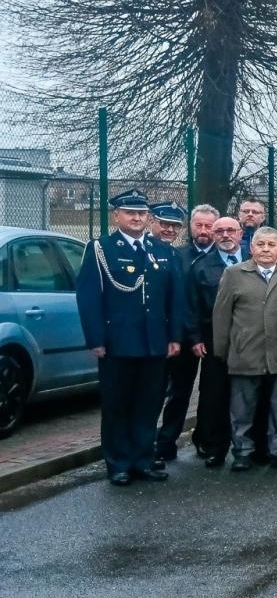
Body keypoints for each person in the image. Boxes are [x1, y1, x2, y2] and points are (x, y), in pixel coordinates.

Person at [75, 189, 186, 485]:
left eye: (141, 213)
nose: (136, 218)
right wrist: (96, 339)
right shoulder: (101, 249)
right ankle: (119, 463)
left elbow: (175, 299)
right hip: (117, 342)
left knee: (148, 404)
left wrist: (175, 336)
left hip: (154, 341)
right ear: (117, 216)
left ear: (148, 217)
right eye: (130, 213)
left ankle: (143, 459)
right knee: (117, 405)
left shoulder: (162, 250)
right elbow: (88, 298)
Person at [213, 226, 277, 472]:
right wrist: (222, 350)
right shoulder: (233, 274)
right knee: (242, 408)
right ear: (251, 248)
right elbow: (221, 315)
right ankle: (242, 452)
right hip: (245, 352)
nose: (265, 249)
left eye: (271, 245)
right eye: (260, 244)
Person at [154, 203, 217, 465]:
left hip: (213, 333)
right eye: (198, 225)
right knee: (179, 391)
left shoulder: (226, 256)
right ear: (190, 227)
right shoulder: (175, 256)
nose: (203, 231)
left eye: (208, 226)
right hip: (182, 334)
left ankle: (205, 439)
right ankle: (167, 441)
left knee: (211, 390)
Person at [184, 215, 242, 467]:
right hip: (213, 338)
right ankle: (213, 446)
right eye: (220, 231)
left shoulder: (255, 261)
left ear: (240, 234)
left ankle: (250, 445)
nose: (226, 235)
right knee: (213, 394)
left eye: (231, 230)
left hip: (249, 338)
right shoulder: (201, 266)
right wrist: (195, 338)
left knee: (249, 392)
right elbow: (191, 306)